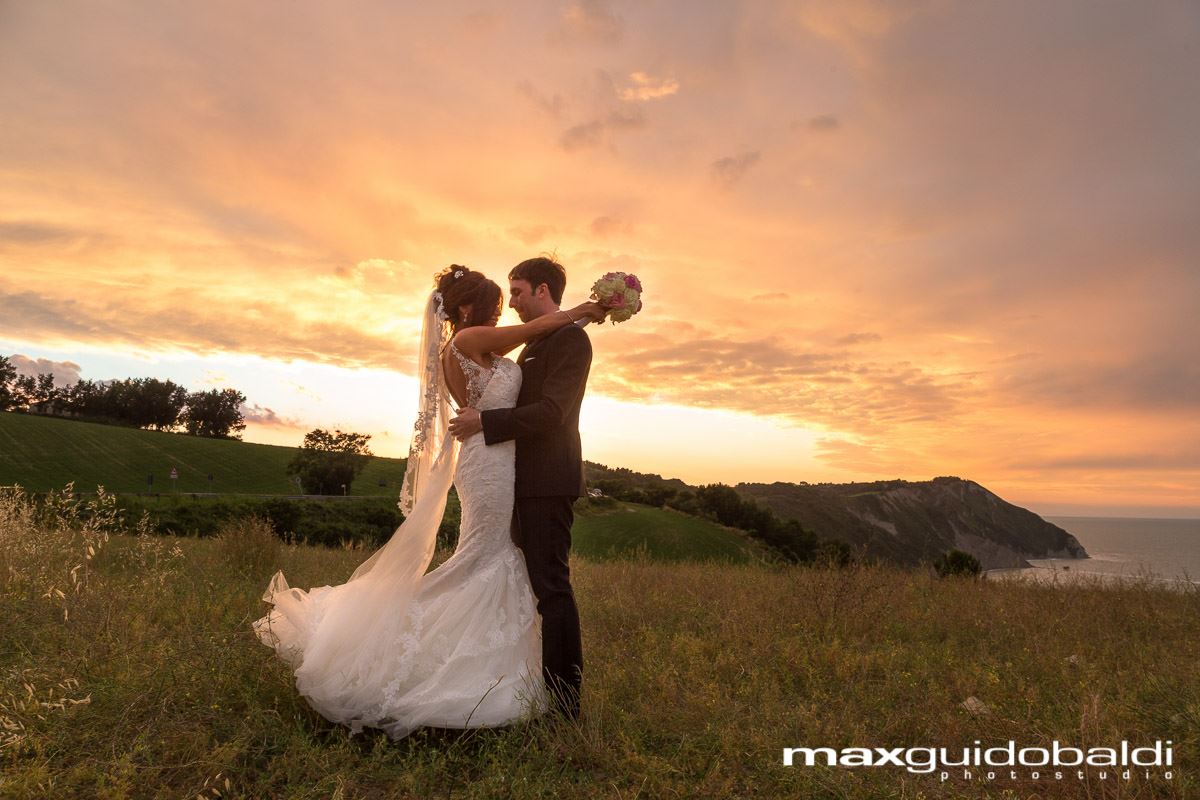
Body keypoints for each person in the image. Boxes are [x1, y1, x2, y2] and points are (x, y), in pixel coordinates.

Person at [252, 264, 605, 739]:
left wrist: (577, 319)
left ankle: (514, 676)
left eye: (513, 296)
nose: (506, 308)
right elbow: (537, 329)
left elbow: (541, 365)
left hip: (506, 461)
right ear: (464, 309)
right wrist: (585, 309)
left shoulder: (496, 343)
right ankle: (415, 651)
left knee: (502, 562)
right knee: (490, 559)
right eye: (497, 302)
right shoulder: (465, 342)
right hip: (490, 458)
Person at [448, 256, 593, 721]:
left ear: (543, 290)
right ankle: (511, 681)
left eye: (518, 292)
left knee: (551, 588)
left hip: (547, 479)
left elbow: (552, 412)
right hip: (512, 478)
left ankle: (565, 705)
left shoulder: (571, 339)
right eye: (506, 294)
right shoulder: (532, 344)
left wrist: (484, 420)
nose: (511, 304)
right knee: (521, 582)